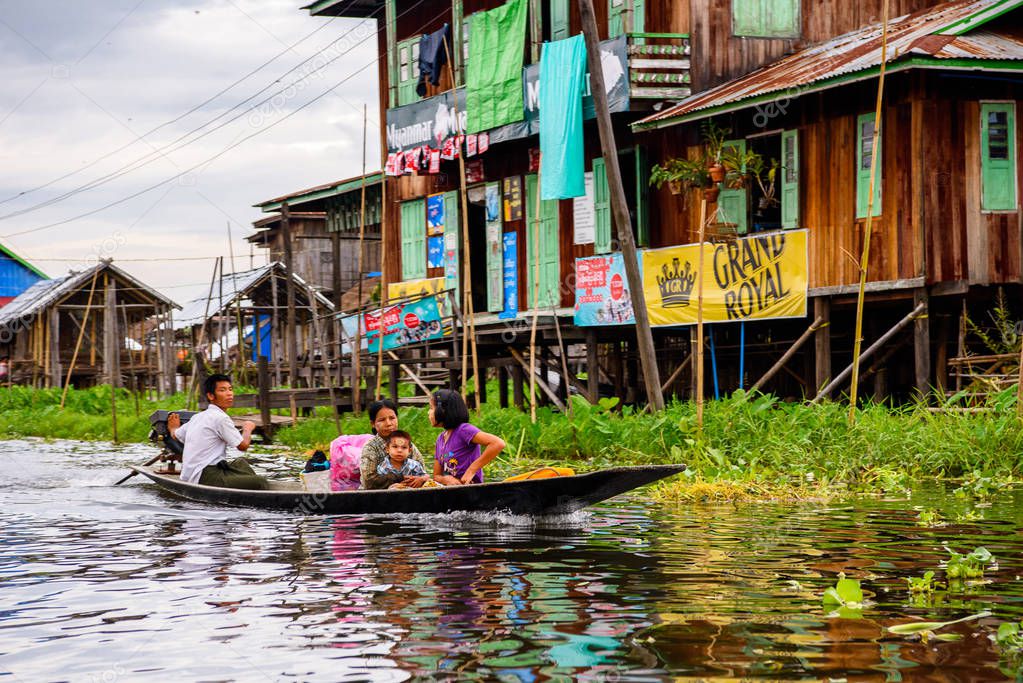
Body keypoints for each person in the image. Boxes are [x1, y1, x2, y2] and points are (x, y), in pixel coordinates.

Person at [167, 374, 268, 490]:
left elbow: (175, 434)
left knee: (241, 463)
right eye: (222, 390)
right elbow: (243, 446)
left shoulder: (198, 417)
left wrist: (173, 427)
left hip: (189, 474)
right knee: (261, 482)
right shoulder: (221, 419)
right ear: (210, 396)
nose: (229, 393)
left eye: (230, 389)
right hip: (206, 475)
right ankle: (249, 489)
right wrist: (247, 429)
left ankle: (244, 488)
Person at [430, 389, 505, 486]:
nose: (429, 412)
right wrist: (445, 480)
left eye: (431, 408)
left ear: (443, 411)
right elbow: (436, 476)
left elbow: (498, 443)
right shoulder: (440, 439)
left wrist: (472, 470)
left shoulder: (463, 430)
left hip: (471, 491)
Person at [359, 399, 429, 490]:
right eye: (382, 420)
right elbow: (369, 481)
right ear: (373, 424)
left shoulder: (407, 445)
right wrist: (399, 478)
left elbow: (423, 472)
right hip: (376, 497)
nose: (388, 423)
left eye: (392, 418)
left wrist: (421, 479)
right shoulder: (370, 448)